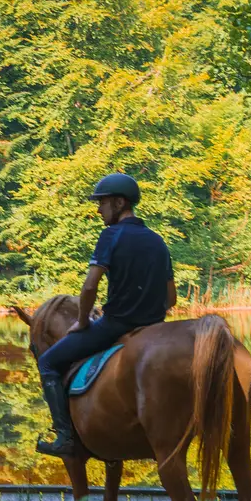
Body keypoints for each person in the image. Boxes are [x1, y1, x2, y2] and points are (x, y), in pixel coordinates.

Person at [35, 172, 177, 457]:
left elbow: (90, 286)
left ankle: (65, 437)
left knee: (48, 362)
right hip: (153, 328)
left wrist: (83, 321)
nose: (98, 209)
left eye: (102, 203)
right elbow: (171, 298)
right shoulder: (157, 241)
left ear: (120, 203)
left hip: (115, 325)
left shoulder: (111, 235)